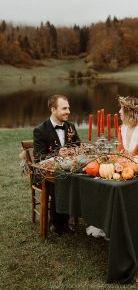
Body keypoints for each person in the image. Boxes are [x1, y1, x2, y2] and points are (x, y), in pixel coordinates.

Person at [33, 94, 80, 235]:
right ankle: (57, 223)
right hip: (44, 173)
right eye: (64, 108)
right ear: (53, 109)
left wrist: (75, 150)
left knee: (77, 177)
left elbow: (78, 146)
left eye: (69, 108)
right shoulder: (40, 130)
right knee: (60, 181)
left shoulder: (70, 126)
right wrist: (58, 154)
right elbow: (39, 158)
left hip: (68, 169)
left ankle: (67, 218)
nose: (68, 111)